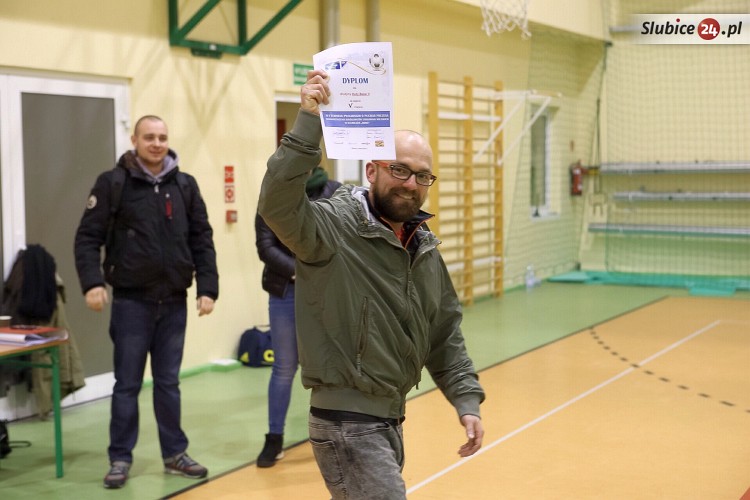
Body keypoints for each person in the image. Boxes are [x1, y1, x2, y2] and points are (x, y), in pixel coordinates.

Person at [258, 70, 485, 499]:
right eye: (399, 169)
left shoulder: (422, 246)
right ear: (372, 170)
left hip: (388, 418)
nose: (411, 184)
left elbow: (443, 331)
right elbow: (277, 204)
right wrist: (308, 122)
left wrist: (465, 399)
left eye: (422, 176)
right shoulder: (333, 225)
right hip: (347, 422)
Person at [74, 115, 219, 489]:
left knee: (169, 383)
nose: (156, 143)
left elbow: (202, 238)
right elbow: (87, 238)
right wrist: (92, 283)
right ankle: (120, 458)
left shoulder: (184, 185)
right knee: (127, 385)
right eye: (149, 137)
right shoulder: (113, 183)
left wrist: (208, 287)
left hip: (174, 302)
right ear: (134, 140)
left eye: (162, 137)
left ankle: (175, 454)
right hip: (131, 304)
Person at [254, 166, 341, 468]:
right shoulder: (272, 193)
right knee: (284, 367)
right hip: (285, 291)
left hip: (325, 292)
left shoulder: (334, 191)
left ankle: (331, 435)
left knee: (327, 367)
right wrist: (300, 271)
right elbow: (265, 246)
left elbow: (343, 238)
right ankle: (274, 438)